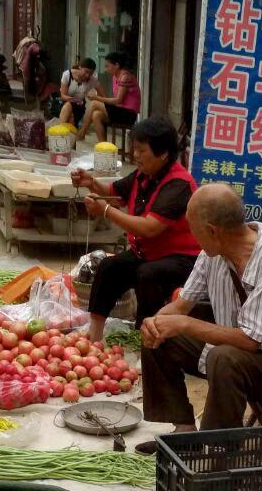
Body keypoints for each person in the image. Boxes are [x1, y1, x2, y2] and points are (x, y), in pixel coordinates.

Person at [138, 184, 262, 438]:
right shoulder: (211, 254)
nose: (193, 239)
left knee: (223, 357)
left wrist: (184, 324)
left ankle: (217, 448)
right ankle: (183, 429)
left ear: (213, 231)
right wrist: (155, 323)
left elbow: (251, 340)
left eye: (195, 232)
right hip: (242, 352)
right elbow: (182, 305)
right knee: (159, 336)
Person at [70, 116, 199, 343]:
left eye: (141, 150)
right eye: (134, 149)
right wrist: (91, 183)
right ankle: (94, 336)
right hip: (148, 252)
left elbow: (150, 228)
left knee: (148, 275)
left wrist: (106, 210)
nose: (135, 156)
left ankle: (146, 340)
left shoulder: (179, 184)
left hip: (181, 259)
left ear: (163, 154)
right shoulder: (143, 174)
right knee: (109, 267)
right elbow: (114, 193)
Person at [75, 51, 140, 142]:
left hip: (128, 114)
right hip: (120, 111)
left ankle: (82, 132)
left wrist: (96, 98)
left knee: (94, 103)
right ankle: (104, 147)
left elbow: (118, 100)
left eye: (107, 66)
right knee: (96, 115)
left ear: (116, 65)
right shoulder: (115, 77)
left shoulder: (125, 77)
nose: (106, 69)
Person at [59, 56, 101, 129]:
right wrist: (76, 100)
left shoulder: (92, 79)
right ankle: (62, 132)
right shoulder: (67, 75)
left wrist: (95, 98)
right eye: (86, 71)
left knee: (70, 113)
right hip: (64, 102)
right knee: (69, 108)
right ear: (80, 67)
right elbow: (63, 96)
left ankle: (61, 133)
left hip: (79, 106)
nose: (87, 75)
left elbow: (103, 94)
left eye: (90, 73)